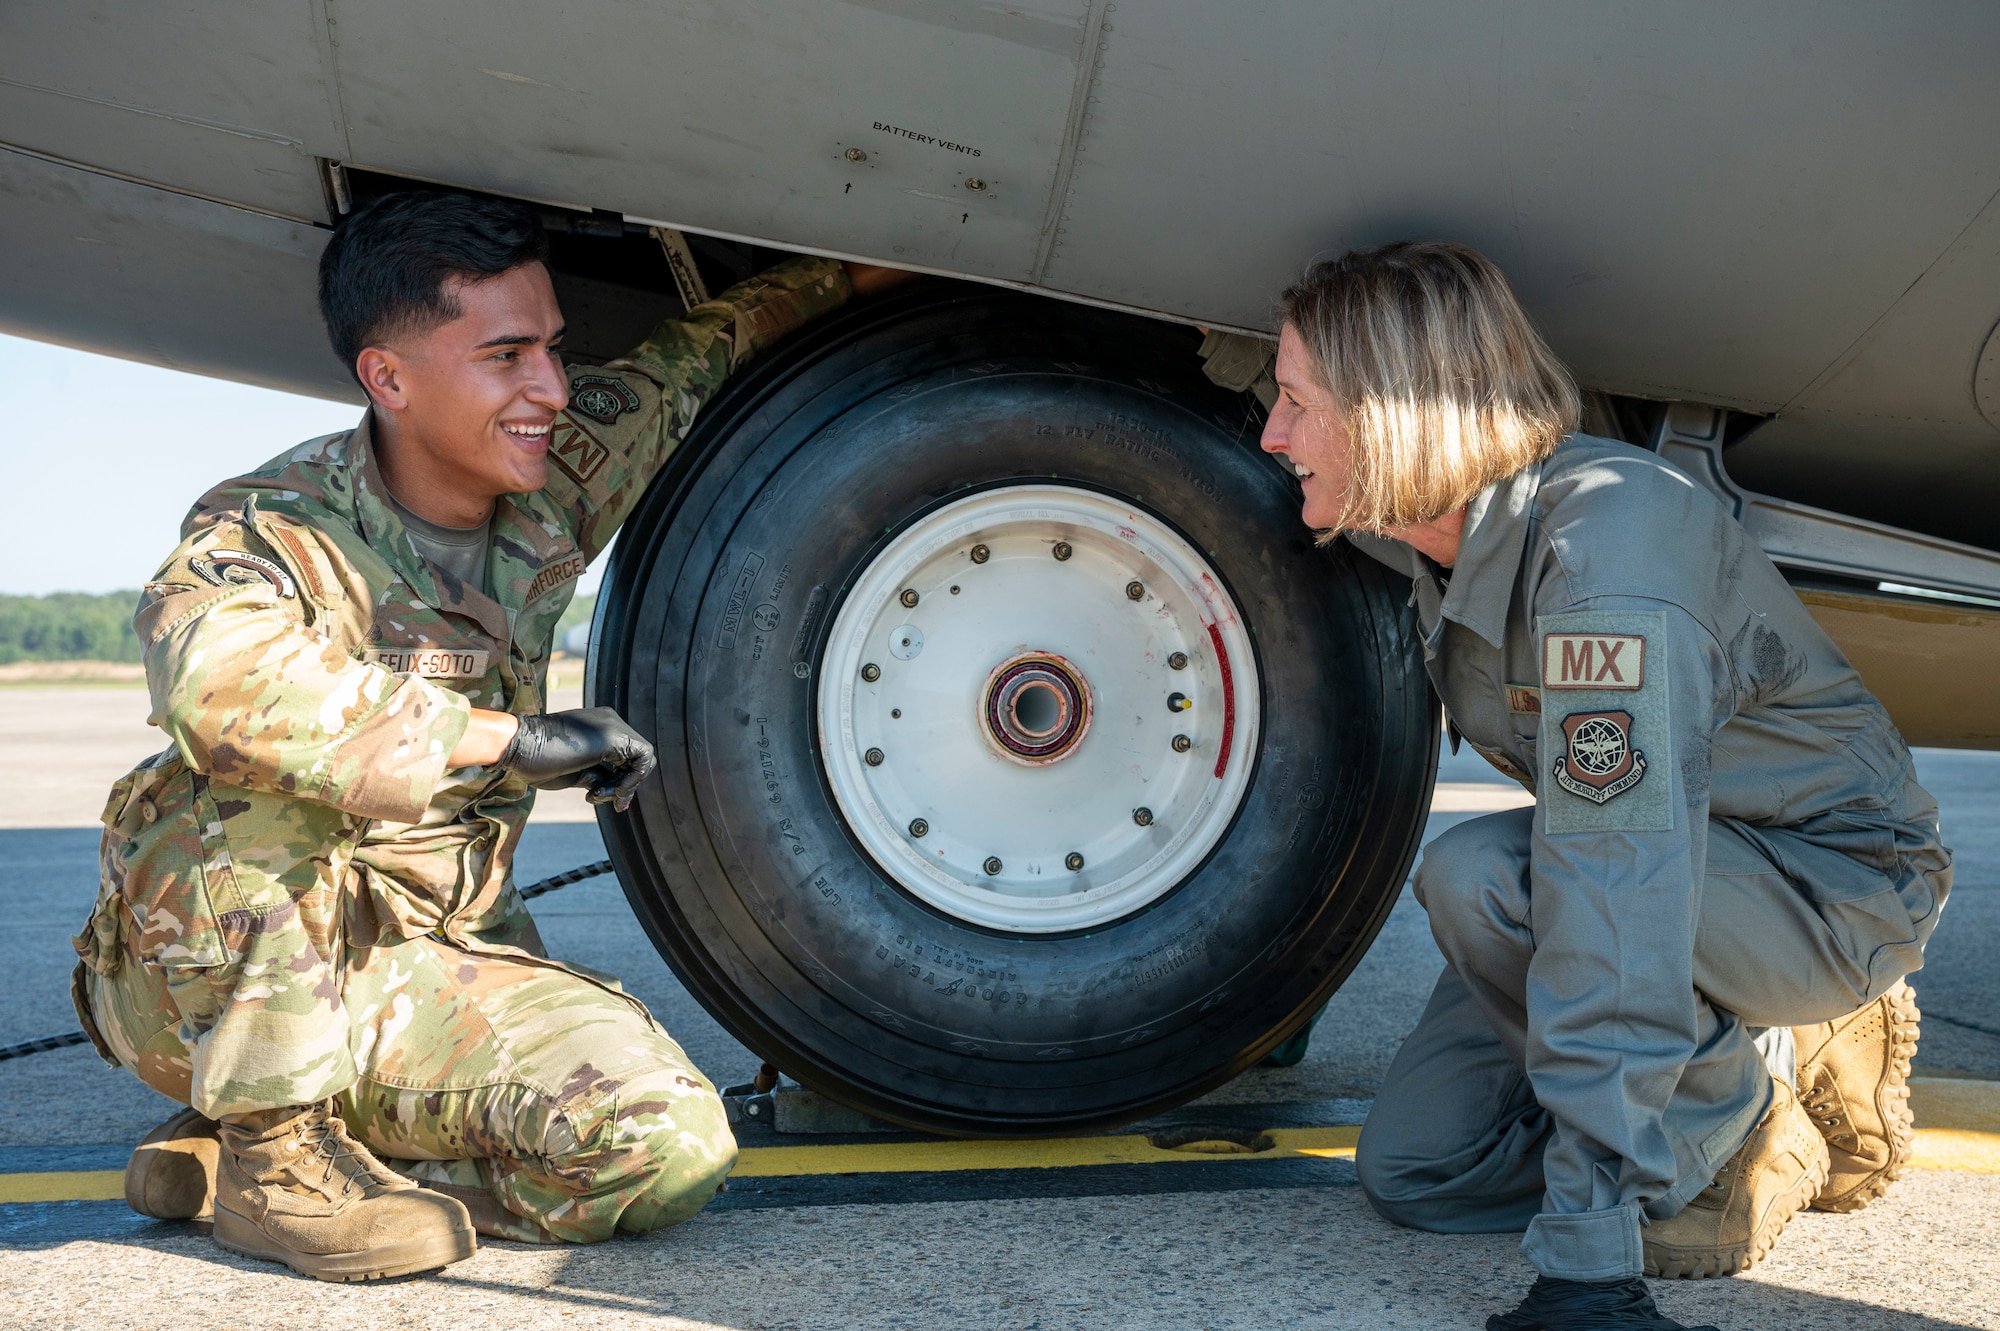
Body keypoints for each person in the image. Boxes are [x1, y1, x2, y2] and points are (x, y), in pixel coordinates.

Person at [70, 189, 910, 1280]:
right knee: (250, 777)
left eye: (552, 349)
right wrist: (505, 739)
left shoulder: (553, 477)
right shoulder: (273, 528)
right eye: (508, 355)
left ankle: (313, 1142)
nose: (551, 390)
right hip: (207, 981)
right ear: (389, 378)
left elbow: (702, 352)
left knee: (667, 1149)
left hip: (429, 952)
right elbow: (219, 688)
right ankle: (274, 1153)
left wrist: (861, 277)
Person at [1258, 241, 1949, 1331]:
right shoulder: (1421, 544)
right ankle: (1736, 1078)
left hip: (1828, 880)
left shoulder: (1605, 565)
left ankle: (1746, 1097)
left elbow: (1610, 875)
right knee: (1420, 1171)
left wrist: (1587, 1263)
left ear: (1389, 416)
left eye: (1295, 402)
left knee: (1483, 877)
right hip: (1665, 863)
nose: (1271, 435)